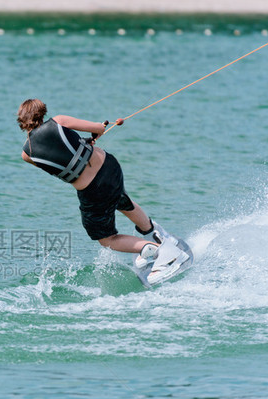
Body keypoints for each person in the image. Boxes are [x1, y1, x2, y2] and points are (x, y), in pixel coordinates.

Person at [17, 98, 187, 283]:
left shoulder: (27, 154)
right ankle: (159, 235)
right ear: (43, 112)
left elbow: (58, 158)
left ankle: (163, 252)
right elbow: (99, 128)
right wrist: (96, 132)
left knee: (107, 239)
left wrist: (82, 143)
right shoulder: (59, 121)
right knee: (122, 202)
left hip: (93, 189)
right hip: (110, 167)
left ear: (21, 121)